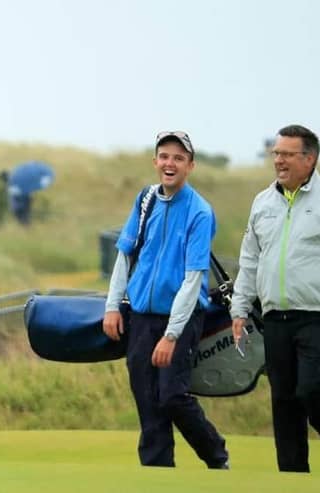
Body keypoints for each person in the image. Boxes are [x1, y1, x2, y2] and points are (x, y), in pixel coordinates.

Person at [103, 131, 229, 469]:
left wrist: (172, 335)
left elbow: (193, 279)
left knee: (172, 396)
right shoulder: (146, 200)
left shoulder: (200, 212)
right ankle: (157, 474)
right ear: (155, 161)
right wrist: (113, 305)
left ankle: (216, 455)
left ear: (190, 166)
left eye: (177, 158)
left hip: (182, 317)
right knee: (147, 402)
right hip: (141, 316)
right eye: (164, 156)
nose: (169, 163)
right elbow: (125, 255)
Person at [230, 124, 320, 473]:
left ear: (309, 158)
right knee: (284, 403)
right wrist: (239, 307)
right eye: (276, 154)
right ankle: (293, 478)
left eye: (286, 154)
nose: (278, 160)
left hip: (315, 317)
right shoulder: (263, 202)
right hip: (275, 319)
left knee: (311, 391)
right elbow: (250, 259)